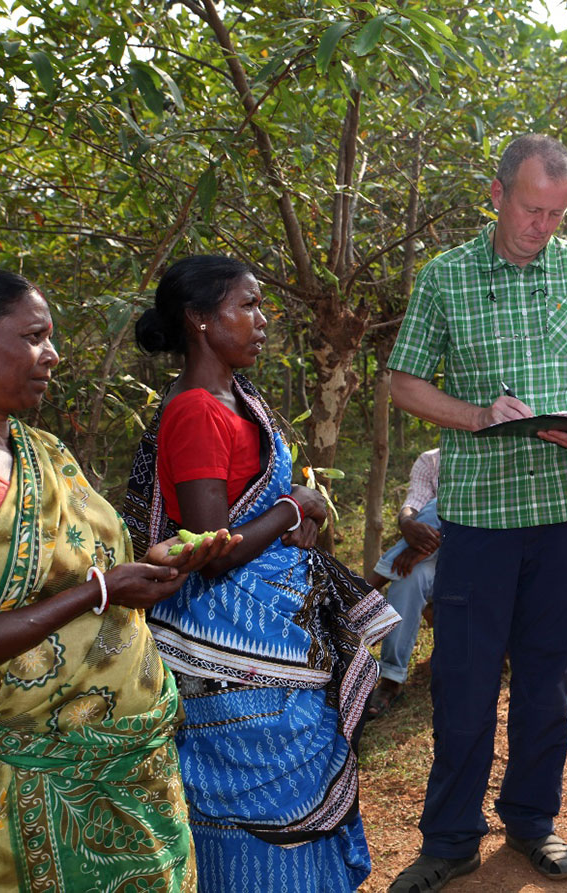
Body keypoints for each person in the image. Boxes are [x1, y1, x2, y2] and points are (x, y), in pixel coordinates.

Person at [0, 266, 237, 892]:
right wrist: (102, 591)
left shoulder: (42, 451)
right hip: (21, 785)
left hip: (134, 771)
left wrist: (153, 563)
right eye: (33, 337)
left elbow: (79, 568)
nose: (52, 354)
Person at [386, 133, 567, 891]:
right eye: (532, 210)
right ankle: (450, 839)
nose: (543, 227)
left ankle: (532, 821)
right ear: (498, 195)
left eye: (557, 214)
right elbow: (404, 382)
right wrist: (476, 416)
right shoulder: (447, 277)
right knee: (464, 684)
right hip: (478, 519)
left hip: (563, 511)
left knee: (545, 679)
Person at [123, 255, 400, 892]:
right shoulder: (198, 410)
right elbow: (213, 547)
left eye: (260, 305)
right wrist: (294, 507)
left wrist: (292, 516)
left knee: (292, 776)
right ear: (199, 319)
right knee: (259, 793)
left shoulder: (236, 401)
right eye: (246, 305)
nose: (262, 320)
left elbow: (248, 515)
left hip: (272, 621)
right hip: (231, 637)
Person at [364, 447, 442, 721]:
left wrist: (432, 543)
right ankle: (391, 678)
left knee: (443, 502)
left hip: (473, 555)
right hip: (431, 558)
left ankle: (367, 587)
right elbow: (413, 503)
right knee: (408, 576)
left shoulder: (491, 451)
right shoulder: (431, 459)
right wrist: (406, 523)